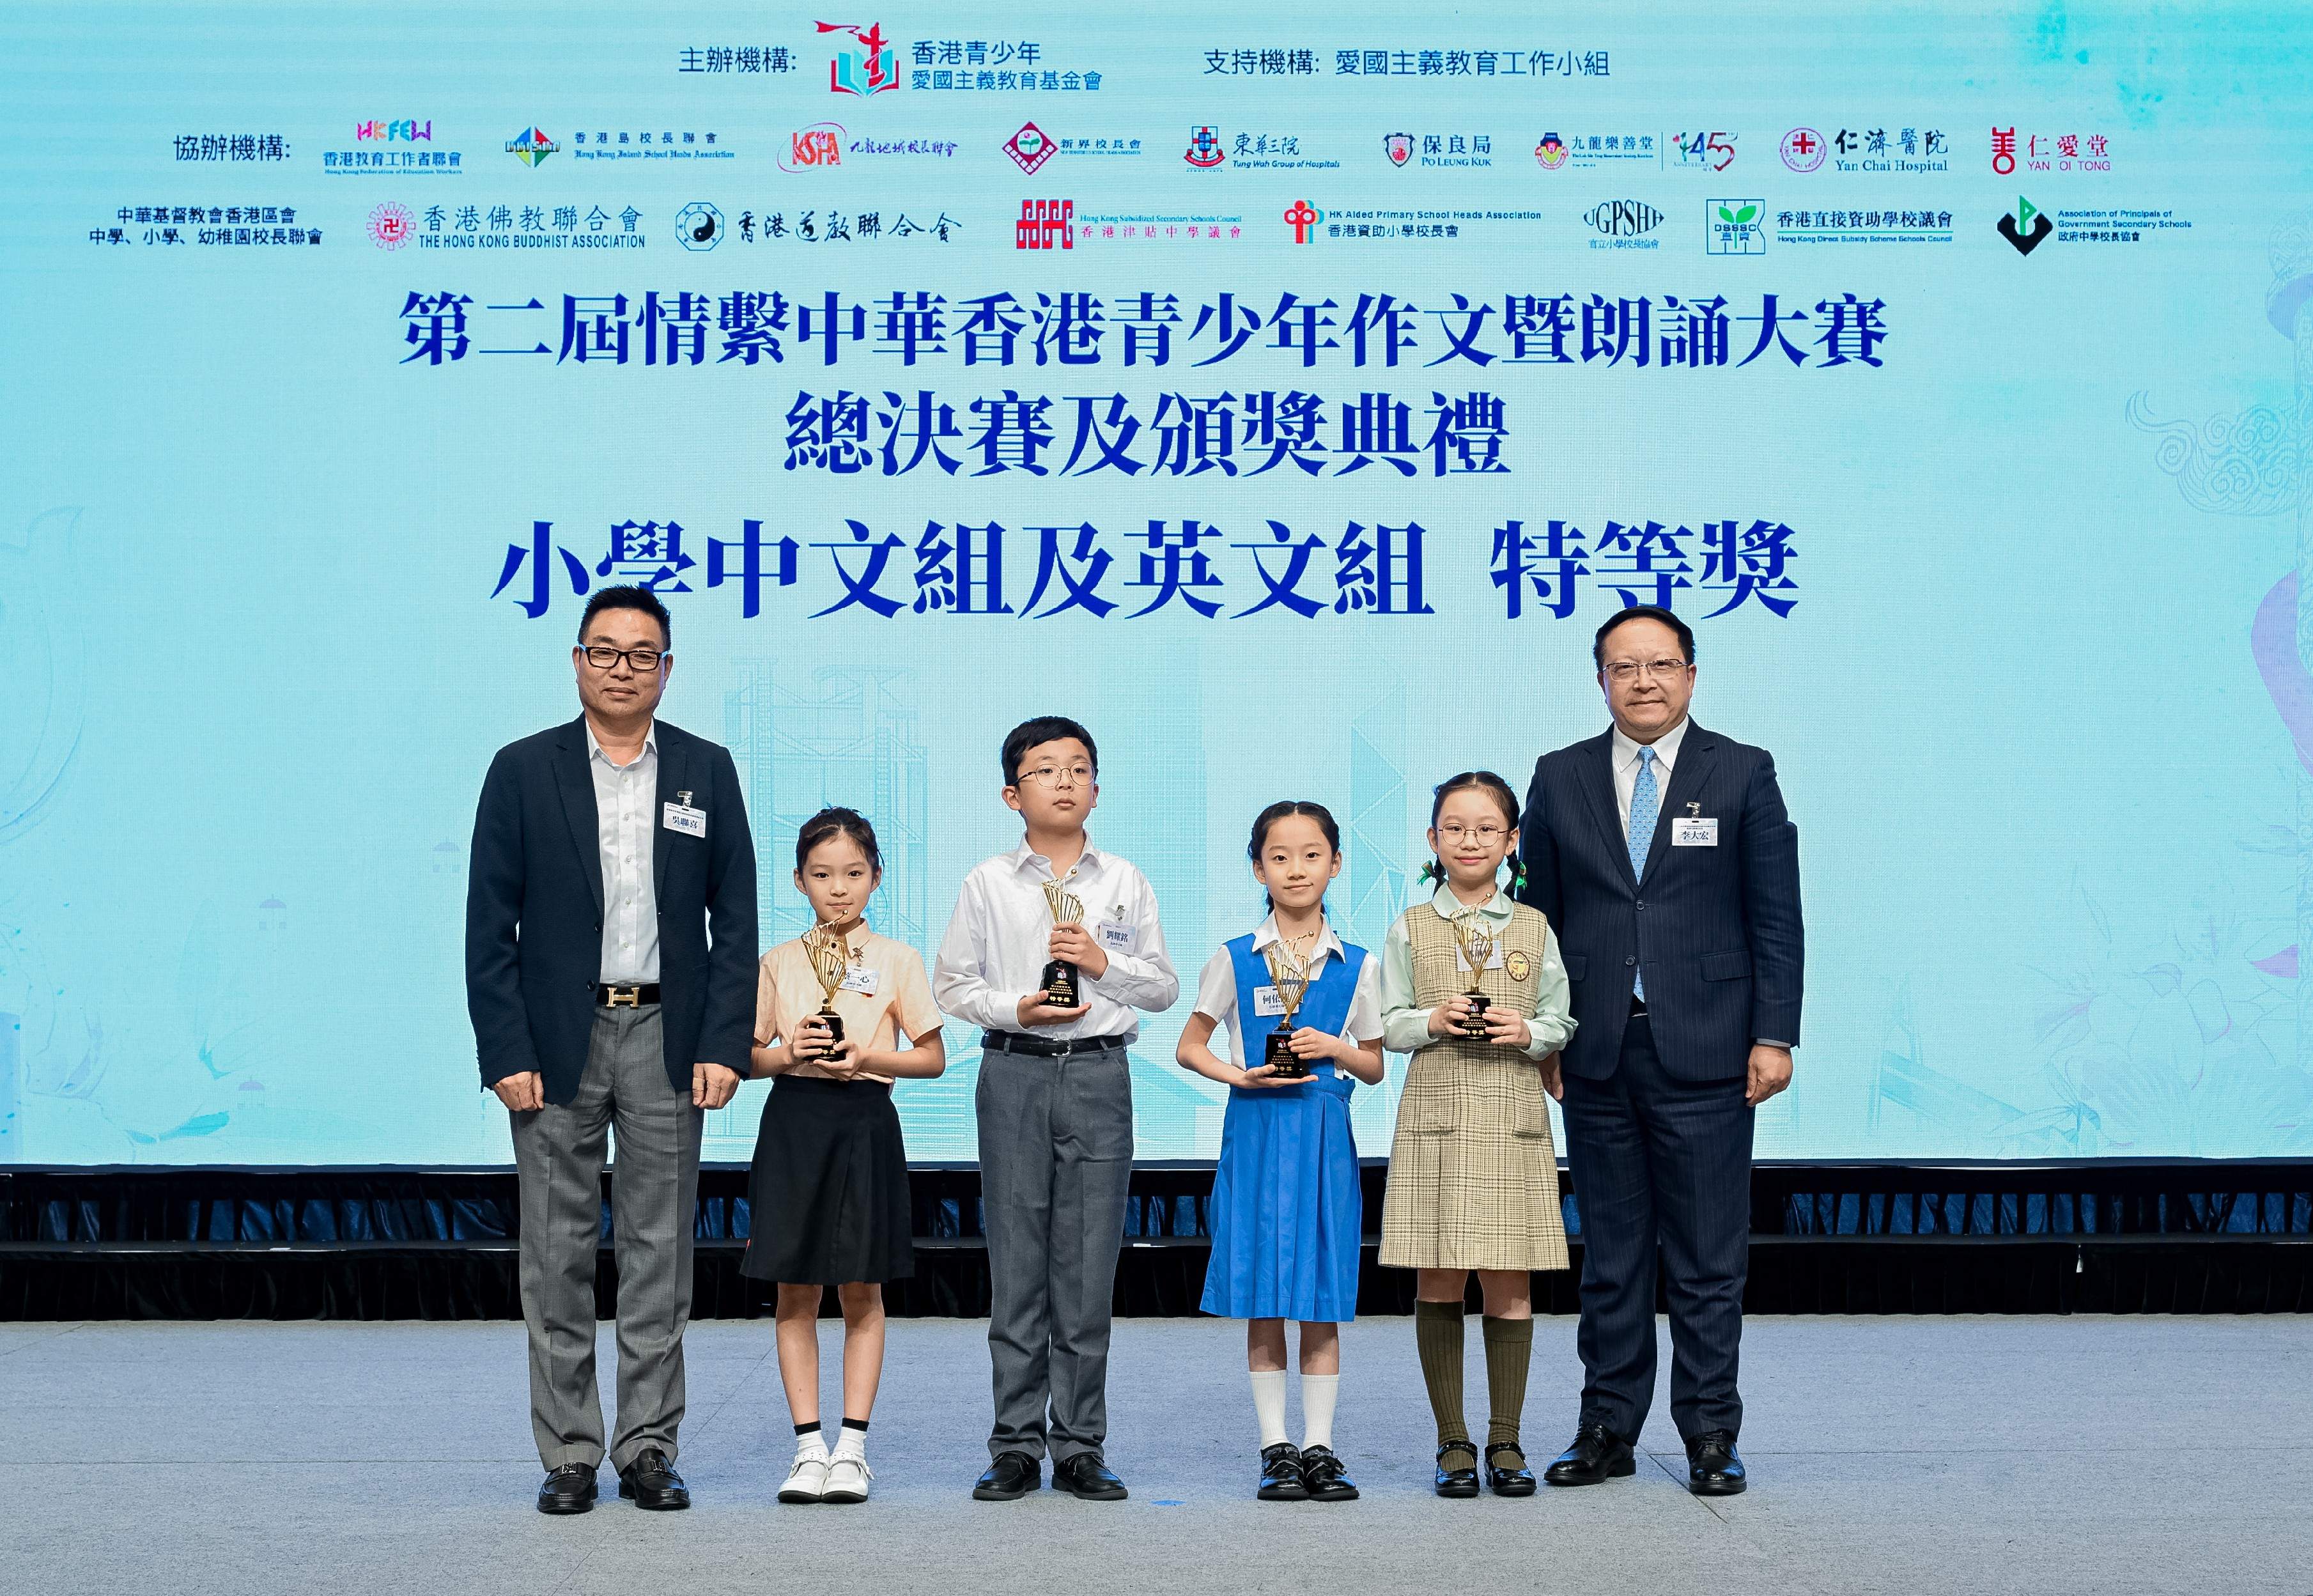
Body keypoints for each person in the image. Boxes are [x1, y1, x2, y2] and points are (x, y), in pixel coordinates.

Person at [465, 585, 758, 1515]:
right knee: (553, 1253)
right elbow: (488, 925)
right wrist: (504, 1047)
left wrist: (725, 1042)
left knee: (658, 1252)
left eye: (641, 654)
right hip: (555, 1040)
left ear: (666, 670)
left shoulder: (705, 769)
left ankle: (647, 1447)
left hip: (668, 1033)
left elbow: (734, 919)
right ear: (577, 661)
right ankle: (568, 1451)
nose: (621, 668)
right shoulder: (522, 768)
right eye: (605, 651)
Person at [1518, 603, 1803, 1498]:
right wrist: (1544, 1033)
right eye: (1624, 667)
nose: (1643, 681)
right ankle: (1605, 1425)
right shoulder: (1559, 774)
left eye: (1660, 664)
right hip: (1596, 1047)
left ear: (1689, 674)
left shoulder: (1742, 770)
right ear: (1600, 679)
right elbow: (1539, 922)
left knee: (1707, 1258)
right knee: (1610, 1257)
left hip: (1711, 1048)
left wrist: (1773, 1033)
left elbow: (1775, 914)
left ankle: (1710, 1432)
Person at [932, 716, 1179, 1503]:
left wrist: (1102, 962)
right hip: (1014, 1071)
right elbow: (952, 986)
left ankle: (1079, 1444)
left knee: (1086, 1268)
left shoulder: (1125, 880)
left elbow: (1163, 989)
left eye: (1078, 767)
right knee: (1017, 1267)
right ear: (1013, 794)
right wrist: (1018, 1007)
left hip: (1100, 1074)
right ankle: (1014, 1444)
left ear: (1096, 790)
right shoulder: (987, 882)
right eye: (1045, 769)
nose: (1064, 780)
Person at [1176, 802, 1384, 1504]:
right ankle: (1276, 1449)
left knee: (1321, 1293)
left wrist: (1335, 1049)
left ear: (1336, 863)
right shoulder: (1235, 956)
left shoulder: (1358, 964)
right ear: (1257, 868)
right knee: (1264, 1294)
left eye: (1311, 854)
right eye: (1279, 856)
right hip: (1259, 1128)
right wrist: (1238, 1075)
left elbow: (1374, 1065)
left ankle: (1320, 1447)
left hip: (1323, 1133)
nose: (1296, 868)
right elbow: (1190, 1045)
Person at [1377, 771, 1575, 1499]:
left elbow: (1560, 1018)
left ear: (1511, 840)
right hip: (1437, 1115)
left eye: (1486, 828)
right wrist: (1429, 1019)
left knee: (1509, 1279)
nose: (1470, 840)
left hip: (1509, 1113)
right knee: (1438, 1275)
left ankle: (1505, 1438)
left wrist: (1528, 1031)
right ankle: (1452, 1439)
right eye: (1455, 828)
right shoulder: (1409, 925)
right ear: (1432, 839)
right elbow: (1386, 1022)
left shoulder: (1534, 926)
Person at [745, 807, 946, 1507]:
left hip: (865, 1120)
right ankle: (808, 1448)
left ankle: (853, 1449)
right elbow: (748, 1055)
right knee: (794, 1289)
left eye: (854, 873)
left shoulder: (896, 958)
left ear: (877, 877)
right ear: (798, 880)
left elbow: (932, 1056)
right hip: (794, 1122)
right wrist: (786, 1054)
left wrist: (867, 1057)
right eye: (822, 874)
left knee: (863, 1288)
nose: (839, 888)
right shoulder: (778, 961)